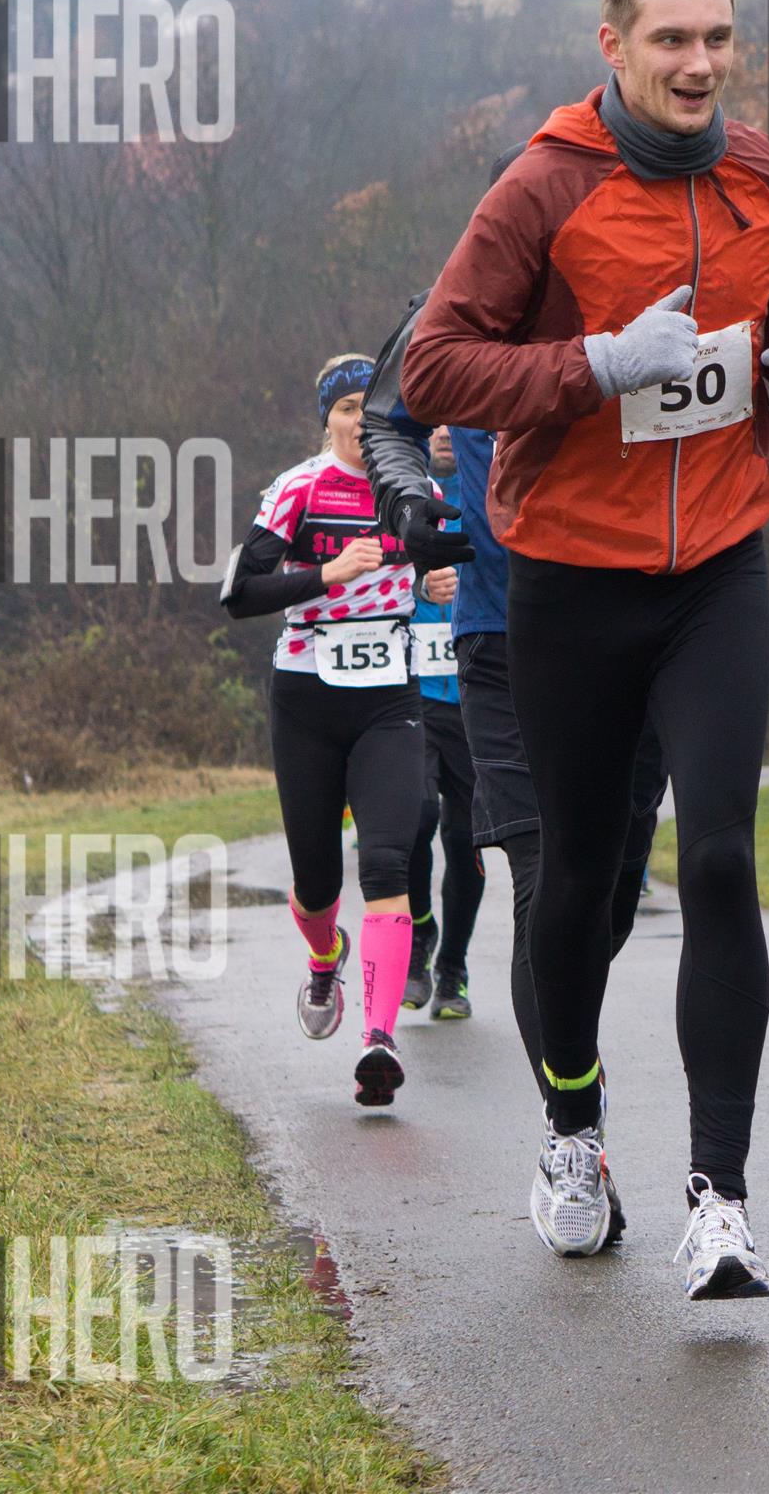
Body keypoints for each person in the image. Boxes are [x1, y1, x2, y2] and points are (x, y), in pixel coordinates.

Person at [397, 0, 769, 1297]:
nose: (699, 63)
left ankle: (723, 1196)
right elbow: (434, 368)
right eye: (671, 39)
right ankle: (574, 1130)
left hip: (716, 565)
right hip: (570, 580)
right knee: (581, 883)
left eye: (716, 37)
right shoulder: (544, 186)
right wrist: (594, 364)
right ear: (614, 45)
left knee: (718, 858)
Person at [365, 282, 679, 1249]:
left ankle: (568, 1082)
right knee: (546, 880)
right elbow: (388, 417)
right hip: (503, 636)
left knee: (606, 900)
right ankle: (572, 1137)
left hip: (639, 626)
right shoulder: (468, 298)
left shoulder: (653, 275)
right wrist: (409, 498)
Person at [218, 353, 459, 1110]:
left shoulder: (418, 491)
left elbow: (436, 570)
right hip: (307, 697)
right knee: (318, 881)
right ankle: (326, 958)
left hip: (390, 698)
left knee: (387, 861)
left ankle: (378, 1040)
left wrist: (434, 581)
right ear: (328, 420)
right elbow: (240, 593)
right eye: (348, 408)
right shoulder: (299, 487)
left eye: (371, 408)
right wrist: (327, 575)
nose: (361, 421)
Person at [396, 425, 478, 1021]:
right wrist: (419, 585)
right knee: (416, 820)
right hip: (416, 694)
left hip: (479, 696)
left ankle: (452, 967)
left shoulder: (493, 484)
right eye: (434, 421)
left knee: (466, 840)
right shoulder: (399, 495)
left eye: (456, 417)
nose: (446, 431)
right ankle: (421, 930)